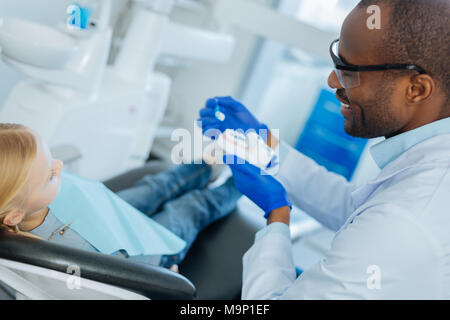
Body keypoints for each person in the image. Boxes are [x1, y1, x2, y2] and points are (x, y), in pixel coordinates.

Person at [199, 0, 450, 299]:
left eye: (351, 70)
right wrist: (266, 147)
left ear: (417, 89)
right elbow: (357, 211)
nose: (333, 80)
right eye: (337, 60)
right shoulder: (427, 172)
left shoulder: (404, 221)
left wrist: (277, 215)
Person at [0, 123, 241, 271]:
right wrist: (165, 277)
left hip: (110, 217)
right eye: (50, 174)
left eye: (51, 157)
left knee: (155, 186)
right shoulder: (61, 256)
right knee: (188, 208)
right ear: (15, 216)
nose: (60, 165)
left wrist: (49, 175)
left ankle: (205, 167)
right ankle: (241, 180)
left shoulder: (29, 198)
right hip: (149, 258)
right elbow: (120, 280)